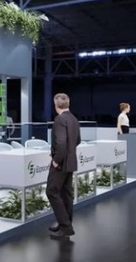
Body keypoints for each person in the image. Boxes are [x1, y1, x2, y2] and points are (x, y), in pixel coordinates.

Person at [46, 93, 80, 238]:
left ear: (56, 105)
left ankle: (65, 226)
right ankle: (66, 224)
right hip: (71, 161)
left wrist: (56, 159)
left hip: (61, 163)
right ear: (68, 104)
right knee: (65, 193)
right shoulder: (74, 119)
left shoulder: (59, 120)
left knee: (51, 191)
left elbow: (61, 142)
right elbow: (77, 140)